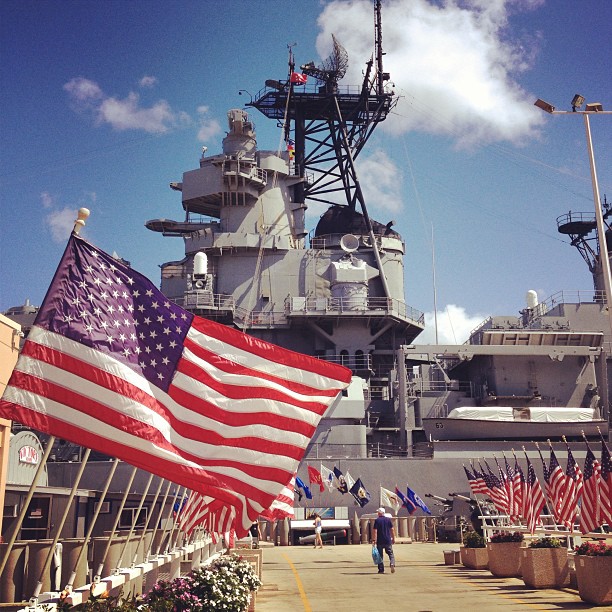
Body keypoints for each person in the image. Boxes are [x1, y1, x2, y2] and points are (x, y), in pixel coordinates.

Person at [372, 507, 395, 574]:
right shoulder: (388, 520)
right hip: (388, 540)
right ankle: (392, 563)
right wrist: (393, 538)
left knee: (380, 556)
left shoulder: (377, 520)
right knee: (391, 553)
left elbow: (375, 531)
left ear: (379, 513)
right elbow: (392, 529)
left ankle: (381, 569)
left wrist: (374, 540)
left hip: (380, 540)